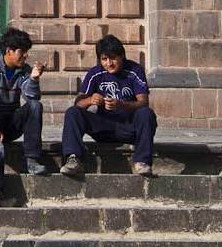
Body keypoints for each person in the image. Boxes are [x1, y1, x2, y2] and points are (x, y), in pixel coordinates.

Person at [60, 34, 157, 177]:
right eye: (104, 59)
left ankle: (142, 162)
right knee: (73, 112)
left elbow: (143, 102)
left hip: (128, 128)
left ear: (122, 56)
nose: (109, 63)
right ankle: (73, 159)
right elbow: (79, 102)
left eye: (113, 58)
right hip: (103, 128)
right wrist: (90, 100)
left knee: (146, 113)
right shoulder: (95, 73)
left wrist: (122, 104)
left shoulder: (134, 70)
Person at [0, 27, 46, 208]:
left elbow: (32, 97)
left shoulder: (24, 70)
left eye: (26, 51)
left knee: (35, 106)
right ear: (9, 51)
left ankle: (32, 159)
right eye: (21, 51)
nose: (25, 56)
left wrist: (34, 79)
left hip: (9, 121)